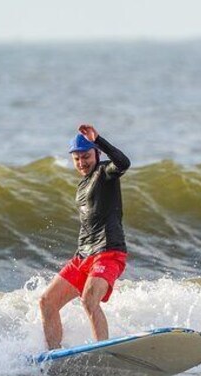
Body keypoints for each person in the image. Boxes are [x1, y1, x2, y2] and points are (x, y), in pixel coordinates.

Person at [39, 124, 131, 350]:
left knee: (89, 299)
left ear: (96, 154)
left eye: (86, 156)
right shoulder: (82, 186)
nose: (82, 162)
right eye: (77, 158)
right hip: (83, 256)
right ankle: (54, 357)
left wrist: (98, 139)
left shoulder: (105, 173)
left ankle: (105, 352)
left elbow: (123, 163)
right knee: (46, 303)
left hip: (109, 253)